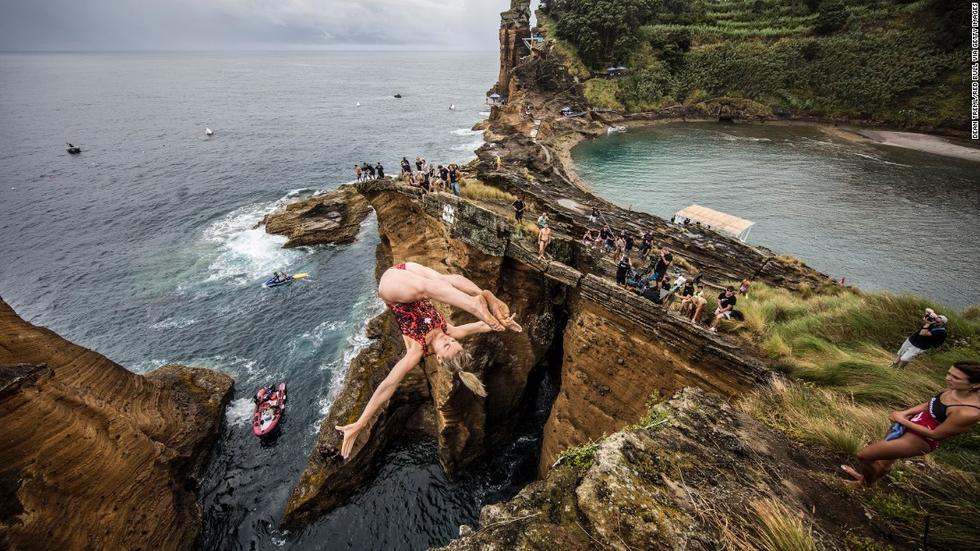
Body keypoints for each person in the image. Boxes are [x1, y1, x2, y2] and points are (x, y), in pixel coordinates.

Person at [335, 262, 522, 459]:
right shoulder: (447, 330)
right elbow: (476, 327)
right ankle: (482, 295)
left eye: (447, 345)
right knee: (443, 280)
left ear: (439, 358)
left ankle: (475, 303)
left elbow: (387, 386)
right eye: (452, 341)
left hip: (392, 288)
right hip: (407, 271)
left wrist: (361, 423)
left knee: (426, 290)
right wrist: (502, 323)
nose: (448, 338)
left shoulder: (416, 350)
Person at [841, 362, 980, 487]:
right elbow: (929, 405)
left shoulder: (969, 412)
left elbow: (936, 434)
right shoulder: (952, 389)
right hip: (910, 423)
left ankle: (865, 484)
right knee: (883, 462)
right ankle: (865, 478)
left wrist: (903, 420)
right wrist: (904, 413)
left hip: (920, 439)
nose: (948, 378)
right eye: (949, 373)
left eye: (956, 377)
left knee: (864, 455)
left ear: (975, 385)